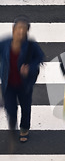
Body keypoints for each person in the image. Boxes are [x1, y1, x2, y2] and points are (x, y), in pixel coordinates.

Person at [0, 16, 44, 145]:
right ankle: (13, 126)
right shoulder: (4, 43)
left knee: (25, 107)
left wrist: (29, 68)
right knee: (10, 109)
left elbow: (40, 58)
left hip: (24, 84)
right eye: (18, 29)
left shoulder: (31, 45)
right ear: (13, 29)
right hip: (8, 83)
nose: (20, 32)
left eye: (23, 30)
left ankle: (24, 129)